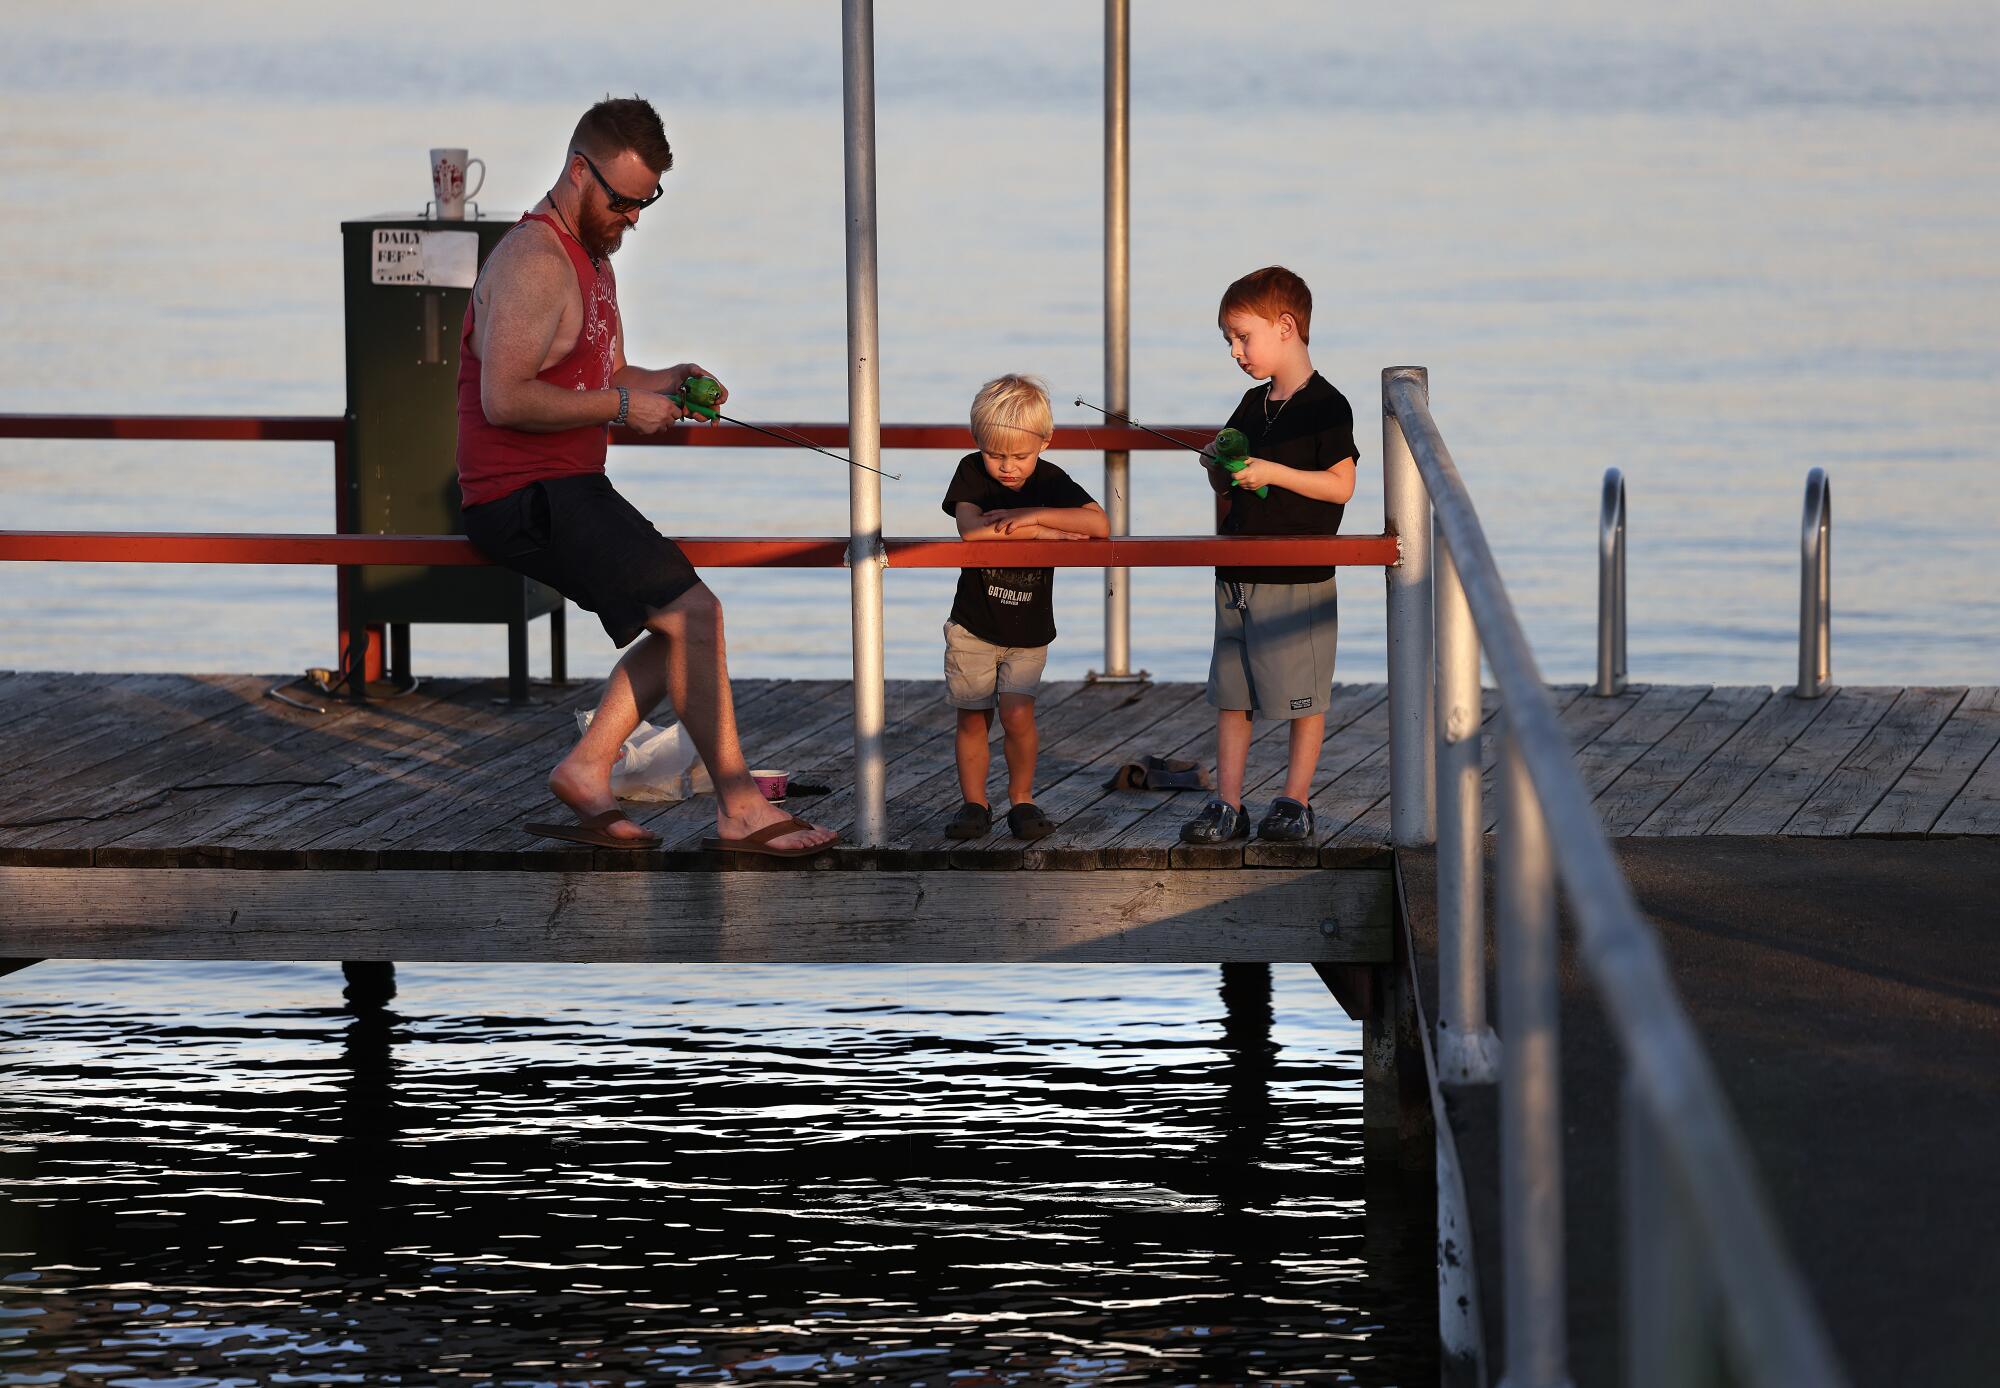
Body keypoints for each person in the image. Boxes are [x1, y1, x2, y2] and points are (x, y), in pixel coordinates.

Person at [455, 97, 835, 858]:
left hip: (567, 488)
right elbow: (506, 397)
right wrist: (628, 405)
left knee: (684, 623)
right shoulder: (535, 261)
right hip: (522, 496)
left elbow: (598, 372)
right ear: (576, 170)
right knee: (695, 615)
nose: (632, 217)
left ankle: (589, 769)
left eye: (645, 202)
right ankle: (738, 808)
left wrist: (669, 379)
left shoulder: (591, 260)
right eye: (623, 200)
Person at [1181, 266, 1358, 846]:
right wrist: (1218, 468)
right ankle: (1228, 804)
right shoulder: (1251, 405)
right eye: (1228, 341)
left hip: (1298, 573)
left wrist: (1272, 471)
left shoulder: (1329, 406)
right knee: (1232, 693)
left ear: (1286, 327)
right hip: (1237, 570)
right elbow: (1227, 486)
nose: (1235, 351)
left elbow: (1340, 486)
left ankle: (1295, 799)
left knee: (1303, 693)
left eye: (1241, 337)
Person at [939, 375, 1108, 841]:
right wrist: (1046, 534)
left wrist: (1030, 516)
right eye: (996, 455)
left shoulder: (1050, 481)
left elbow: (1099, 522)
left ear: (1045, 443)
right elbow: (972, 531)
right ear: (978, 444)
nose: (1008, 467)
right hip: (973, 625)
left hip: (1029, 628)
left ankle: (1022, 798)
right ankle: (974, 801)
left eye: (1020, 456)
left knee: (1017, 714)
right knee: (973, 715)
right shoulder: (971, 472)